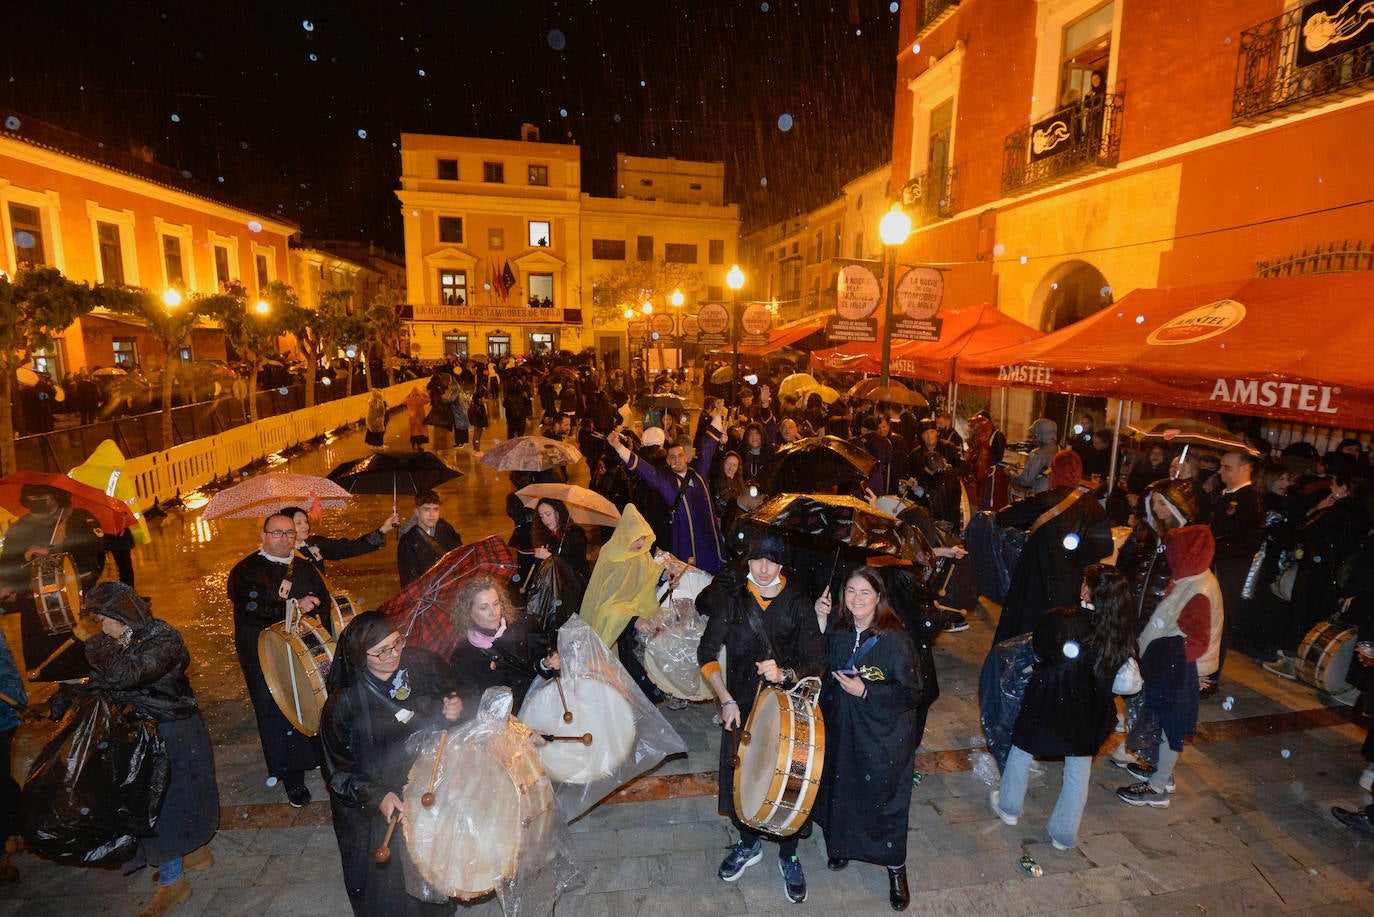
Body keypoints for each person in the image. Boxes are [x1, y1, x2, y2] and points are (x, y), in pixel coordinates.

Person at [697, 529, 825, 904]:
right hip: (742, 708)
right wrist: (724, 699)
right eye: (756, 559)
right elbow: (706, 653)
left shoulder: (798, 603)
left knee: (789, 780)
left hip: (789, 711)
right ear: (747, 561)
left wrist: (784, 673)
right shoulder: (732, 601)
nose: (764, 568)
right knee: (745, 778)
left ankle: (789, 854)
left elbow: (817, 661)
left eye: (771, 560)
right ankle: (748, 843)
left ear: (782, 562)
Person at [83, 583, 218, 917]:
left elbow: (125, 675)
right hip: (137, 733)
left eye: (105, 618)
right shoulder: (112, 640)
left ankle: (174, 882)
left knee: (168, 803)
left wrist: (102, 644)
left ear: (122, 614)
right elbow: (102, 681)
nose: (101, 626)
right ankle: (192, 851)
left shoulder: (163, 639)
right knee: (157, 802)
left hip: (172, 730)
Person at [320, 611, 462, 916]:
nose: (393, 655)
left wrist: (452, 704)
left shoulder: (418, 663)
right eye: (381, 651)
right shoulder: (342, 703)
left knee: (429, 861)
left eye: (397, 644)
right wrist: (377, 796)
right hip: (372, 801)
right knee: (388, 886)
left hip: (421, 781)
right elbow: (338, 773)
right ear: (360, 656)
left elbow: (448, 685)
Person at [990, 565, 1135, 852]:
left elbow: (1041, 652)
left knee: (1022, 747)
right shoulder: (1119, 635)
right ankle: (1064, 834)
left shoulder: (1059, 620)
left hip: (1049, 698)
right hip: (1090, 709)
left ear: (1087, 590)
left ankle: (1009, 807)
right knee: (1078, 771)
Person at [812, 567, 920, 910]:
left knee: (883, 799)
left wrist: (865, 691)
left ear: (878, 598)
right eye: (850, 591)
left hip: (883, 735)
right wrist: (819, 621)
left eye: (865, 593)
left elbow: (912, 692)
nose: (856, 599)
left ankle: (895, 867)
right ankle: (842, 847)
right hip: (844, 729)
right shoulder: (840, 630)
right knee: (843, 788)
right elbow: (822, 662)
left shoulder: (895, 639)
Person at [226, 513, 331, 806]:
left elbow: (321, 596)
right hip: (263, 651)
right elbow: (252, 607)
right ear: (263, 536)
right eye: (276, 533)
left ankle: (315, 754)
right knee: (276, 705)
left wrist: (314, 603)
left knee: (310, 697)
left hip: (300, 647)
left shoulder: (303, 565)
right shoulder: (245, 570)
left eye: (288, 533)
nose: (284, 539)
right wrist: (295, 604)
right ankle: (291, 774)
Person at [1115, 525, 1219, 808]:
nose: (1168, 557)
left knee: (1170, 728)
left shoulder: (1198, 588)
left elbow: (1197, 639)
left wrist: (1183, 671)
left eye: (1172, 551)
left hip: (1179, 670)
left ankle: (1157, 787)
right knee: (1164, 723)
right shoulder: (1191, 578)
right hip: (1175, 667)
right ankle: (1162, 773)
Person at [993, 449, 1113, 644]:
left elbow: (1003, 517)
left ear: (1055, 473)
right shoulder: (1094, 508)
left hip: (1033, 587)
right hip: (1072, 592)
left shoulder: (1045, 499)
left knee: (1022, 640)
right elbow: (1106, 547)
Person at [0, 484, 107, 686]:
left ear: (57, 496)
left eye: (43, 496)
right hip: (39, 608)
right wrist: (17, 572)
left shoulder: (79, 518)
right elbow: (8, 564)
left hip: (78, 599)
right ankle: (67, 692)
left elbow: (95, 547)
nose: (37, 501)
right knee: (56, 662)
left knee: (88, 657)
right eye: (32, 497)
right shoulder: (19, 528)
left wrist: (59, 548)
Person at [608, 404, 726, 574]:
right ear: (668, 462)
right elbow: (644, 469)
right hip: (687, 546)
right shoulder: (667, 482)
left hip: (710, 542)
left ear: (686, 456)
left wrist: (719, 413)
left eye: (680, 456)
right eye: (672, 457)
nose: (677, 460)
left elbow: (708, 446)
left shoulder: (699, 472)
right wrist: (619, 447)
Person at [580, 505, 667, 701]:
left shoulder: (642, 555)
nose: (641, 542)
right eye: (637, 537)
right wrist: (632, 620)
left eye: (644, 537)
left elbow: (647, 580)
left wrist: (665, 576)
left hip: (637, 622)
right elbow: (605, 604)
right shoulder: (612, 556)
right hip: (619, 627)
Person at [447, 574, 559, 714]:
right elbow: (473, 702)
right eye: (484, 608)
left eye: (496, 603)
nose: (493, 613)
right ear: (468, 613)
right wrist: (458, 707)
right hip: (511, 721)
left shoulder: (522, 623)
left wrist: (546, 663)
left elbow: (541, 654)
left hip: (543, 699)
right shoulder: (464, 655)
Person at [279, 505, 399, 631]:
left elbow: (349, 548)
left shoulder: (314, 544)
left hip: (322, 611)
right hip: (297, 617)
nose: (305, 526)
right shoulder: (278, 556)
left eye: (306, 522)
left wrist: (383, 529)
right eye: (298, 523)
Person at [1205, 451, 1263, 689]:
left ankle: (1211, 676)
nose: (1221, 471)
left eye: (1226, 467)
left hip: (1229, 569)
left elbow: (1249, 539)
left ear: (1244, 469)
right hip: (1214, 564)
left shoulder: (1249, 500)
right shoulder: (1223, 495)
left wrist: (1216, 549)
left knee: (1220, 619)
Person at [396, 491, 462, 587]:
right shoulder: (408, 541)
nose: (432, 514)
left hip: (451, 584)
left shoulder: (445, 528)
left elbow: (459, 553)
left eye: (435, 509)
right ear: (416, 512)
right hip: (427, 590)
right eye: (426, 509)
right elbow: (409, 579)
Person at [531, 497, 591, 583]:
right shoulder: (547, 535)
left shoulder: (575, 532)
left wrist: (550, 558)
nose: (545, 520)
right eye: (541, 516)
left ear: (558, 512)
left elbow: (576, 564)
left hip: (575, 584)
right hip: (556, 584)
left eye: (548, 514)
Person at [1010, 417, 1058, 496]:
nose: (1033, 438)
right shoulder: (1059, 450)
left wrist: (1011, 473)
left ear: (1041, 435)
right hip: (1052, 496)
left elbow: (1024, 482)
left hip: (1038, 497)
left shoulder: (1037, 454)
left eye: (1035, 435)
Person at [402, 387, 430, 451]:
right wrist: (423, 394)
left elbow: (403, 401)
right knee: (420, 432)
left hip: (412, 419)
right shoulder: (420, 399)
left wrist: (408, 395)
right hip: (420, 418)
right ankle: (419, 445)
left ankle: (413, 443)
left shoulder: (409, 400)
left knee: (414, 432)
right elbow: (428, 400)